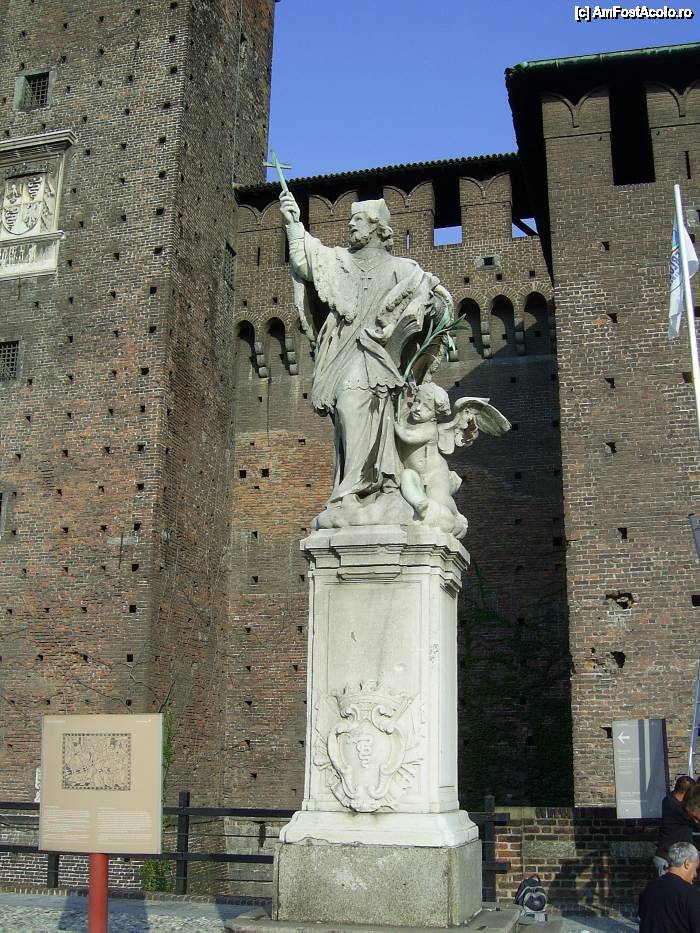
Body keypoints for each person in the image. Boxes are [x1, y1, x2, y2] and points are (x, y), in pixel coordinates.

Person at [279, 189, 450, 527]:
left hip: (383, 359)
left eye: (357, 220)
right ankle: (355, 490)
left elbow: (440, 303)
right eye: (350, 220)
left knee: (356, 404)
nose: (350, 226)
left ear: (376, 227)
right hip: (345, 351)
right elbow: (306, 262)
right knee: (348, 414)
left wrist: (431, 306)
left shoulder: (404, 269)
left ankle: (357, 490)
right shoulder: (339, 260)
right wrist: (293, 223)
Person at [639, 841, 700, 932]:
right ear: (687, 864)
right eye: (695, 868)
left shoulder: (649, 888)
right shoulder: (690, 893)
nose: (695, 874)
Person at [656, 776, 697, 875]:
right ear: (686, 793)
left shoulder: (670, 800)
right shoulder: (673, 805)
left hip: (678, 857)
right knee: (669, 884)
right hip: (668, 858)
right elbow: (694, 818)